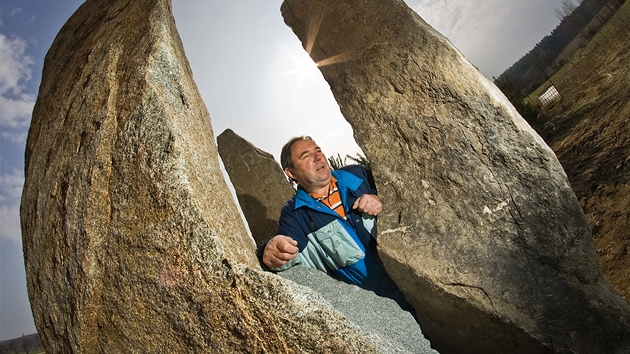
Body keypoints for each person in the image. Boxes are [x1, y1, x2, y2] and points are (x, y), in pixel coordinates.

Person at [256, 135, 399, 295]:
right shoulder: (294, 214)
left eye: (318, 151)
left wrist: (379, 197)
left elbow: (404, 192)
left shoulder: (357, 175)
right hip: (386, 305)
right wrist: (268, 250)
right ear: (291, 173)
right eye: (306, 156)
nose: (318, 157)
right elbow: (288, 258)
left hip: (419, 279)